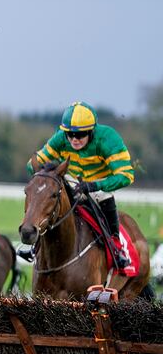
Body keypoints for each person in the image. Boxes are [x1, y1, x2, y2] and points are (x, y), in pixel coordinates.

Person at [28, 101, 135, 271]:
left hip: (99, 186)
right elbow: (32, 164)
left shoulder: (108, 138)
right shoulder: (60, 138)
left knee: (103, 196)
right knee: (48, 198)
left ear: (92, 131)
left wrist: (94, 185)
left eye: (80, 135)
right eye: (70, 134)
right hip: (71, 182)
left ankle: (116, 246)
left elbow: (126, 176)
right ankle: (35, 245)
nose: (74, 139)